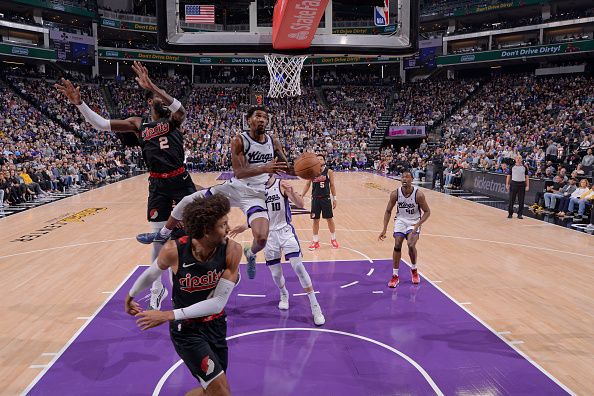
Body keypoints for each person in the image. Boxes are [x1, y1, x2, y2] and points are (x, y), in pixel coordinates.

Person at [56, 61, 196, 310]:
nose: (157, 99)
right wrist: (79, 103)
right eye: (152, 96)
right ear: (149, 104)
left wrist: (153, 85)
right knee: (158, 240)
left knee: (193, 234)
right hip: (158, 185)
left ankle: (193, 280)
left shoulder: (175, 121)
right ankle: (157, 287)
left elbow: (181, 108)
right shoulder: (137, 124)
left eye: (159, 96)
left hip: (181, 181)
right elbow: (100, 124)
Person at [137, 107, 289, 280]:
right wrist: (264, 168)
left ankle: (251, 253)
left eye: (265, 117)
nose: (262, 119)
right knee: (188, 200)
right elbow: (239, 172)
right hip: (236, 188)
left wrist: (307, 168)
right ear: (249, 120)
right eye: (258, 116)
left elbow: (287, 167)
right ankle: (163, 233)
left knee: (261, 239)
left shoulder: (273, 142)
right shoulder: (240, 140)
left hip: (257, 195)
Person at [125, 194, 240, 396]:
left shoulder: (232, 250)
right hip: (187, 331)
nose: (228, 229)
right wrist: (131, 295)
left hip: (216, 324)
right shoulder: (174, 250)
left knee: (211, 390)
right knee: (221, 392)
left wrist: (168, 314)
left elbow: (218, 303)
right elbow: (152, 272)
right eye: (223, 225)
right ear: (206, 230)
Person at [229, 175, 325, 325]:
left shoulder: (281, 185)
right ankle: (283, 293)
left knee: (298, 267)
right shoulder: (256, 190)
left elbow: (300, 204)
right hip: (269, 236)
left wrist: (292, 192)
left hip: (285, 231)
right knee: (276, 273)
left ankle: (315, 306)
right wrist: (245, 226)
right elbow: (259, 215)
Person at [378, 170, 431, 288]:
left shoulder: (419, 195)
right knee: (397, 244)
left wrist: (418, 224)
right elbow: (388, 211)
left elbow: (427, 212)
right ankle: (395, 275)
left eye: (407, 177)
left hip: (414, 221)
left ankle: (414, 270)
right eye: (403, 177)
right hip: (401, 220)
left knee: (411, 244)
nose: (404, 179)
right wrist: (384, 229)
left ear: (412, 180)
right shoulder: (395, 193)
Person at [301, 154, 339, 250]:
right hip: (315, 199)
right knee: (315, 220)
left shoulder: (329, 172)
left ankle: (333, 239)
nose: (319, 160)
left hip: (326, 199)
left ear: (324, 161)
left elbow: (332, 186)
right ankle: (315, 241)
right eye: (317, 159)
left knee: (329, 219)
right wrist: (302, 195)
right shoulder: (312, 172)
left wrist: (335, 198)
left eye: (321, 159)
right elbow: (307, 184)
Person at [505, 155, 529, 219]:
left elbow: (527, 177)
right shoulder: (512, 167)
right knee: (511, 200)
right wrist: (507, 184)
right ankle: (510, 213)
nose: (518, 159)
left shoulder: (524, 167)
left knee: (521, 200)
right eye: (517, 158)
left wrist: (527, 185)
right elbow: (508, 176)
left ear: (521, 159)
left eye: (519, 158)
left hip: (522, 184)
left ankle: (520, 214)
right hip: (513, 184)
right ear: (515, 159)